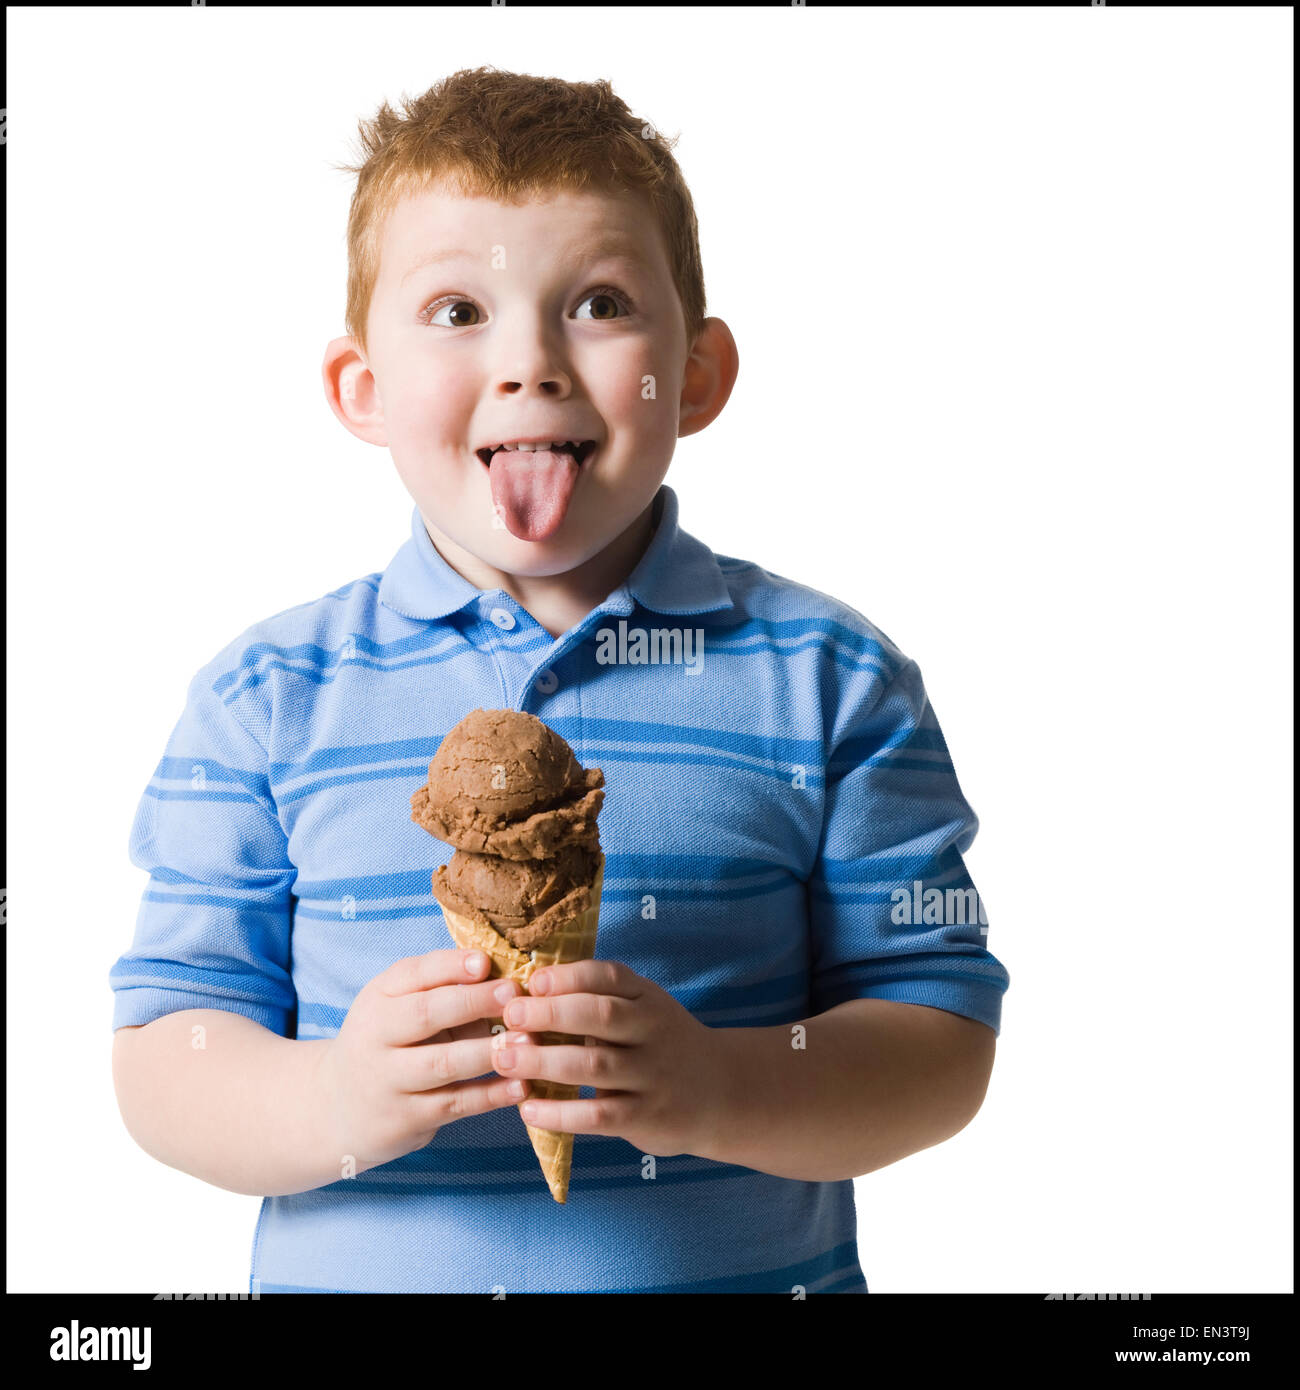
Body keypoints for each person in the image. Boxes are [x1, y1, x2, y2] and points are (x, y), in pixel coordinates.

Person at [110, 67, 1009, 1294]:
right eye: (454, 310)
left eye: (595, 302)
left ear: (693, 374)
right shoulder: (263, 697)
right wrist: (329, 1095)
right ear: (359, 390)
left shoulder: (830, 679)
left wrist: (722, 1086)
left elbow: (937, 1037)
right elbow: (168, 1055)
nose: (529, 360)